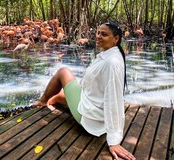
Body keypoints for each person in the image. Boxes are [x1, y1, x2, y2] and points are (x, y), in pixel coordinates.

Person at [34, 22, 136, 160]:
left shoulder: (111, 62)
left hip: (89, 115)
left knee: (63, 71)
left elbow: (114, 100)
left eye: (104, 34)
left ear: (116, 39)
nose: (99, 36)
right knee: (58, 97)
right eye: (98, 33)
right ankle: (51, 101)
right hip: (90, 101)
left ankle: (41, 101)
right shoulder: (112, 54)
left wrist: (114, 140)